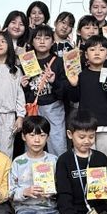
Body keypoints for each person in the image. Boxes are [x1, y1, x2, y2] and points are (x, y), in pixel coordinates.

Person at [66, 35, 107, 160]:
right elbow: (74, 99)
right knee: (85, 159)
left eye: (101, 50)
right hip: (85, 126)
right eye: (92, 49)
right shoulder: (81, 75)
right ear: (86, 55)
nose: (97, 53)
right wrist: (73, 85)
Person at [21, 25, 68, 156]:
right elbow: (24, 94)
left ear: (53, 42)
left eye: (47, 38)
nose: (42, 41)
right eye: (38, 38)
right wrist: (24, 85)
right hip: (33, 108)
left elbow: (65, 92)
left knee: (57, 143)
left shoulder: (59, 62)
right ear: (32, 42)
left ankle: (59, 167)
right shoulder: (27, 61)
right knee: (31, 142)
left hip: (53, 107)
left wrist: (54, 81)